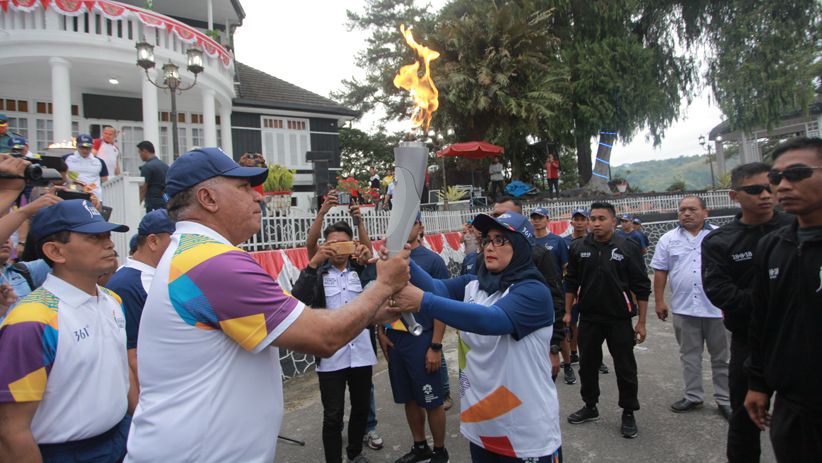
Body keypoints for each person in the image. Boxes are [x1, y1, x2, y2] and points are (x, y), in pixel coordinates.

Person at [125, 147, 413, 462]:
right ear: (208, 199)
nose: (258, 197)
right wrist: (384, 285)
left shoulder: (194, 253)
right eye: (244, 187)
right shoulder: (211, 262)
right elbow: (323, 337)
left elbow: (286, 315)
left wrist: (371, 311)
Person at [393, 211, 561, 462]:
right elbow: (437, 288)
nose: (489, 247)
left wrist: (422, 302)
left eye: (500, 240)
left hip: (527, 435)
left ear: (521, 247)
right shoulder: (475, 284)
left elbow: (490, 320)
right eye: (487, 240)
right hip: (483, 427)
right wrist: (406, 260)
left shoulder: (534, 292)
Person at [0, 199, 133, 461]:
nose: (108, 243)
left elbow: (121, 371)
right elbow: (11, 429)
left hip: (120, 438)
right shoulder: (31, 320)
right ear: (55, 251)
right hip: (66, 453)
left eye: (107, 234)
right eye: (94, 237)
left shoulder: (111, 300)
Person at [701, 162, 794, 462]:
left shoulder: (795, 229)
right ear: (735, 195)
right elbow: (718, 291)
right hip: (749, 341)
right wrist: (770, 301)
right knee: (744, 420)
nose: (766, 195)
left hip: (798, 338)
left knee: (802, 418)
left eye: (771, 187)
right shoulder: (720, 241)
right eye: (755, 190)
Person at [745, 137, 822, 462]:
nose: (783, 185)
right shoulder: (774, 246)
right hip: (792, 405)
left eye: (798, 173)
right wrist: (758, 383)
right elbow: (763, 320)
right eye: (776, 178)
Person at [564, 201, 650, 438]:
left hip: (619, 319)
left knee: (625, 368)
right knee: (587, 366)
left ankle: (628, 412)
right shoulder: (578, 247)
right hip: (589, 319)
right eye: (593, 219)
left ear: (613, 221)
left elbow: (642, 287)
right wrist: (569, 312)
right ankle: (590, 406)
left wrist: (641, 322)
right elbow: (571, 282)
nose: (596, 223)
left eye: (602, 218)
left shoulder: (627, 247)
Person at [292, 221, 376, 463]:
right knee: (333, 416)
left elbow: (383, 288)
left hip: (361, 352)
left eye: (343, 243)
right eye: (332, 244)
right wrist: (313, 263)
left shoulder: (361, 270)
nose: (338, 248)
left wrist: (370, 261)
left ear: (352, 245)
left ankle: (355, 453)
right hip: (330, 356)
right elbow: (298, 299)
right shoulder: (318, 274)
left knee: (361, 408)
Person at [377, 214, 449, 463]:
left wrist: (436, 346)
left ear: (420, 227)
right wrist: (382, 331)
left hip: (423, 339)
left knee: (431, 400)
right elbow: (382, 295)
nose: (405, 229)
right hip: (397, 339)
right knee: (409, 398)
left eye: (411, 223)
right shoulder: (389, 260)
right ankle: (420, 447)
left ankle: (440, 450)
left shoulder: (432, 260)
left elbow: (444, 303)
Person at [651, 196, 730, 419]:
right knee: (689, 355)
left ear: (706, 212)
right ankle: (693, 396)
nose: (686, 213)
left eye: (692, 209)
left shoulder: (719, 236)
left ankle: (725, 399)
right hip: (684, 309)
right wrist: (659, 301)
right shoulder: (668, 239)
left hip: (717, 309)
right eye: (682, 210)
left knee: (722, 357)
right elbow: (660, 271)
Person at [105, 209, 175, 407]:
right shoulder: (128, 283)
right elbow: (132, 354)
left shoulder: (156, 276)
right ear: (153, 241)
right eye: (177, 240)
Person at [492, 197, 565, 382]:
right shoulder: (484, 259)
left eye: (504, 216)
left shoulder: (540, 256)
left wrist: (554, 347)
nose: (498, 221)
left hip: (533, 345)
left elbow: (556, 299)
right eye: (495, 216)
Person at [563, 208, 589, 366]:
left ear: (587, 222)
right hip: (570, 288)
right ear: (571, 222)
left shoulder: (593, 240)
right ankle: (573, 354)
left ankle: (593, 356)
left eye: (582, 219)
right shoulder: (564, 242)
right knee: (571, 322)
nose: (579, 223)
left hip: (589, 287)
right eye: (576, 219)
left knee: (590, 324)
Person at [63, 134, 108, 201]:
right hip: (72, 194)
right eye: (82, 147)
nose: (85, 150)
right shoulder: (66, 159)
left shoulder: (99, 161)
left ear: (92, 147)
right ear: (77, 146)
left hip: (94, 197)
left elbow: (105, 180)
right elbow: (60, 175)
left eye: (88, 147)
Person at [137, 141, 169, 212]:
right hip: (165, 200)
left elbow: (143, 189)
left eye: (140, 152)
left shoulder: (146, 167)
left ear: (144, 151)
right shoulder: (165, 166)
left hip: (153, 202)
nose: (139, 155)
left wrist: (136, 204)